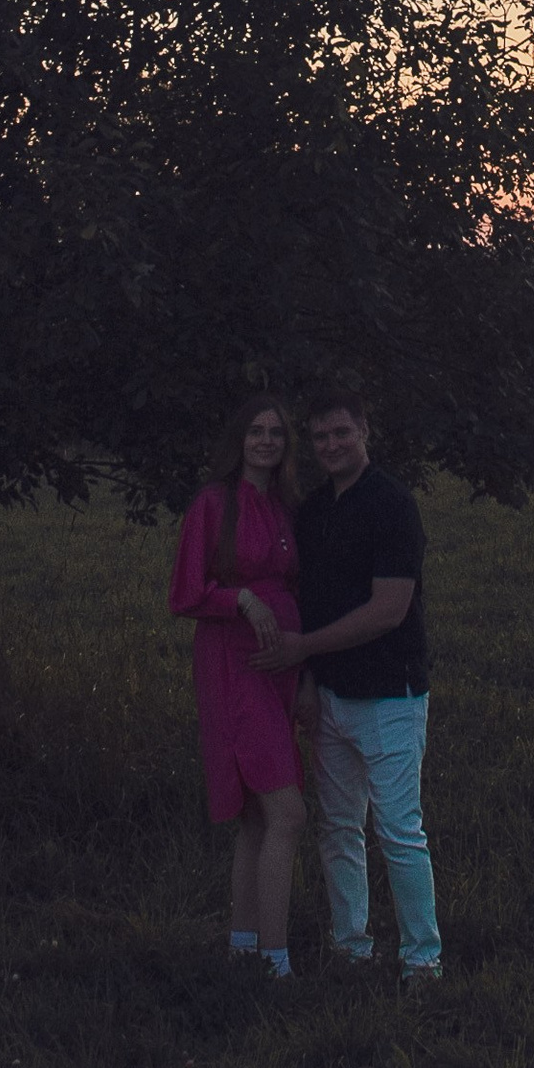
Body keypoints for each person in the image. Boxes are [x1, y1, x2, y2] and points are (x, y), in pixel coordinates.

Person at [256, 386, 441, 984]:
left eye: (342, 432)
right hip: (331, 697)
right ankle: (351, 947)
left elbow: (389, 609)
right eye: (320, 436)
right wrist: (309, 680)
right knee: (338, 828)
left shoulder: (391, 504)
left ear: (364, 431)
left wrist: (304, 649)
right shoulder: (313, 511)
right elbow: (308, 602)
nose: (332, 444)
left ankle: (422, 960)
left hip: (389, 694)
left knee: (399, 831)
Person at [168, 396, 307, 976]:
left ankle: (243, 947)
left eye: (276, 432)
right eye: (256, 431)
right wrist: (242, 599)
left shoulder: (284, 505)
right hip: (234, 665)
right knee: (288, 813)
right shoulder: (214, 503)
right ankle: (276, 962)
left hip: (280, 668)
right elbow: (184, 592)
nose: (266, 441)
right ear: (239, 439)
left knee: (257, 816)